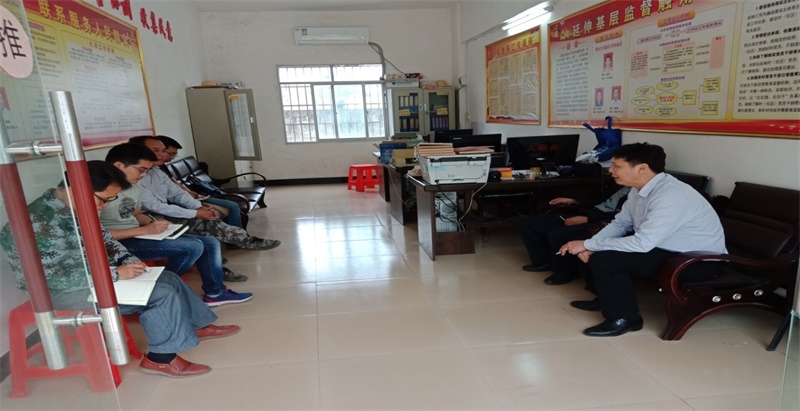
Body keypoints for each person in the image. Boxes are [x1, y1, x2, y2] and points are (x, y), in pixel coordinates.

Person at [0, 161, 241, 377]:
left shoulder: (76, 208)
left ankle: (196, 325)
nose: (104, 206)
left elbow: (106, 240)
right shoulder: (39, 221)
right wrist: (114, 274)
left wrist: (128, 260)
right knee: (160, 295)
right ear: (78, 189)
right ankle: (160, 360)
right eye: (103, 200)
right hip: (58, 293)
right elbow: (54, 278)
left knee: (168, 278)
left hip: (90, 279)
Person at [558, 143, 726, 337]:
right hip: (664, 248)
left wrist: (589, 245)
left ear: (642, 168)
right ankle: (606, 299)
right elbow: (621, 223)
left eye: (617, 166)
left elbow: (642, 243)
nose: (611, 171)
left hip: (697, 261)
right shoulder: (638, 189)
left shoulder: (670, 195)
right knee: (592, 247)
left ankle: (625, 319)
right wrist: (589, 244)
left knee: (605, 259)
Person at [102, 143, 253, 301]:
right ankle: (160, 289)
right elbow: (98, 235)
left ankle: (215, 292)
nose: (144, 175)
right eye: (141, 170)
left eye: (147, 170)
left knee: (210, 242)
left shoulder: (133, 187)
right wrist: (143, 230)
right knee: (192, 247)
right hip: (116, 244)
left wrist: (155, 223)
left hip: (138, 235)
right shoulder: (100, 192)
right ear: (118, 165)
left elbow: (137, 214)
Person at [130, 135, 279, 251]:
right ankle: (241, 242)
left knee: (208, 218)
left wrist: (198, 207)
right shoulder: (135, 176)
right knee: (204, 222)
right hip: (148, 216)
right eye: (156, 151)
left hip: (165, 210)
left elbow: (177, 193)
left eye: (163, 151)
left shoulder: (156, 171)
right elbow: (154, 206)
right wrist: (196, 213)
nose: (163, 155)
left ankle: (220, 254)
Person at [518, 184, 631, 285]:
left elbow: (621, 218)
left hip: (601, 222)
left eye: (617, 168)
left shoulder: (637, 194)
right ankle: (544, 261)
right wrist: (573, 201)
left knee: (558, 234)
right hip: (589, 213)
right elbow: (602, 201)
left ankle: (564, 273)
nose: (611, 171)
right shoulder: (619, 186)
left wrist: (588, 219)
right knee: (528, 224)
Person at [157, 134, 246, 229]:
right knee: (225, 209)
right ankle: (237, 234)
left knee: (233, 205)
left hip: (188, 197)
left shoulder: (162, 167)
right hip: (176, 203)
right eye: (171, 154)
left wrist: (189, 192)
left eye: (174, 155)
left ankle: (240, 233)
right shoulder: (152, 172)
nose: (171, 158)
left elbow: (174, 182)